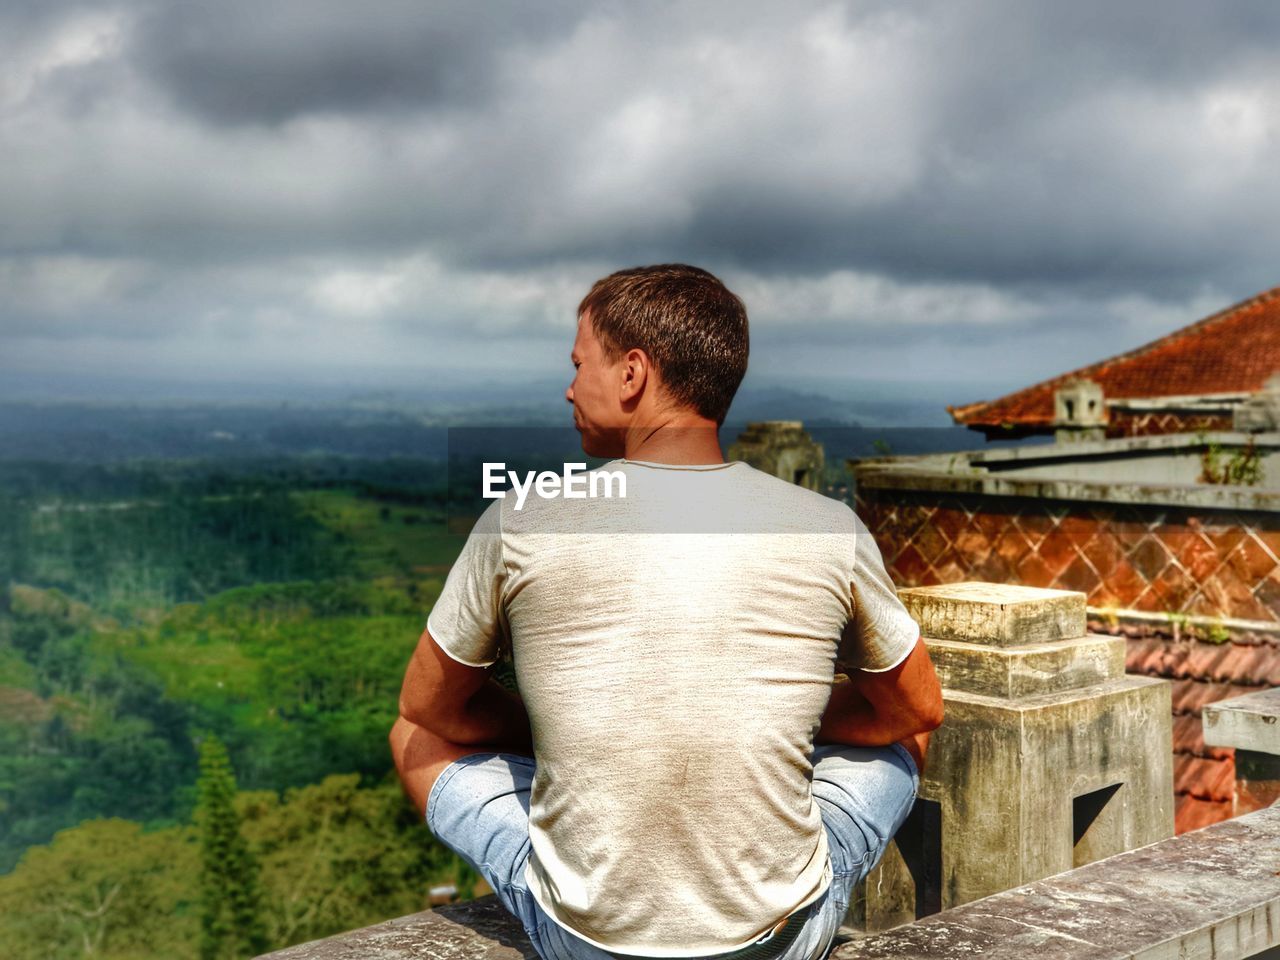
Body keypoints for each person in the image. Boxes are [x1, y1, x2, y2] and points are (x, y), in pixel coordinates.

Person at [389, 264, 943, 960]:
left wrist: (559, 733)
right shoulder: (828, 526)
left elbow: (428, 707)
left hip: (586, 945)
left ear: (632, 374)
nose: (568, 386)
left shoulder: (522, 520)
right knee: (904, 742)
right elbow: (917, 709)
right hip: (781, 943)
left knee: (412, 739)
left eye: (579, 363)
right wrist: (786, 720)